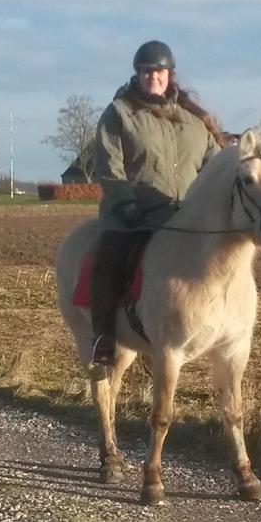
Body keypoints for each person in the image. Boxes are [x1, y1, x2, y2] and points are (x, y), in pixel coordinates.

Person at [89, 40, 222, 366]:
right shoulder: (119, 113)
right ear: (138, 74)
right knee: (108, 262)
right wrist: (124, 203)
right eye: (146, 71)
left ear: (170, 74)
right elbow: (108, 165)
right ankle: (103, 338)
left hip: (183, 219)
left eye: (159, 71)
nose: (153, 77)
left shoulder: (193, 121)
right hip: (133, 215)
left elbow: (215, 168)